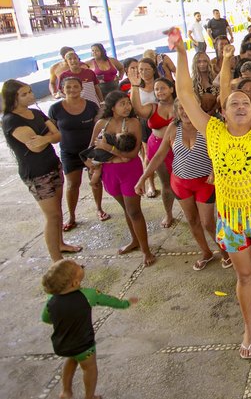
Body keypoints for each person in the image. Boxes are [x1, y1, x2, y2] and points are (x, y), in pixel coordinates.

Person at [174, 34, 251, 358]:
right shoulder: (213, 132)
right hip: (232, 219)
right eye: (233, 103)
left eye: (246, 104)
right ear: (223, 111)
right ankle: (249, 327)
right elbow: (184, 94)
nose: (240, 106)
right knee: (244, 276)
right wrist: (182, 53)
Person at [135, 100, 229, 270]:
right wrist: (143, 178)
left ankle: (225, 253)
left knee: (208, 222)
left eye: (189, 107)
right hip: (180, 183)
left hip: (205, 183)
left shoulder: (207, 126)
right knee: (192, 220)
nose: (185, 112)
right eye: (181, 108)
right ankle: (206, 252)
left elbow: (223, 151)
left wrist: (215, 170)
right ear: (176, 111)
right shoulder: (173, 128)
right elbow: (159, 155)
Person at [3, 79, 81, 261]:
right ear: (13, 98)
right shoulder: (11, 120)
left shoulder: (36, 113)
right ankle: (56, 260)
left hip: (52, 165)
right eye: (24, 94)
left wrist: (44, 138)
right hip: (36, 173)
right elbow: (35, 147)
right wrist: (48, 136)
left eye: (30, 91)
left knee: (58, 211)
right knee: (52, 216)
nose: (30, 95)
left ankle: (60, 243)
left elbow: (58, 135)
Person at [41, 260, 136, 399]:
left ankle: (66, 391)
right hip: (84, 346)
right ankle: (89, 396)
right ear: (75, 283)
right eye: (78, 266)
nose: (81, 265)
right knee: (89, 369)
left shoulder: (51, 299)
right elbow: (110, 301)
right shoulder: (88, 295)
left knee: (71, 359)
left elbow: (46, 318)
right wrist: (126, 303)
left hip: (62, 344)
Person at [88, 91, 154, 266]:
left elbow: (131, 154)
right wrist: (95, 168)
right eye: (122, 104)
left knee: (134, 211)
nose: (127, 107)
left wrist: (109, 149)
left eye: (128, 103)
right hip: (109, 172)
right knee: (126, 209)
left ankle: (146, 250)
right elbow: (92, 148)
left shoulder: (133, 123)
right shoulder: (101, 123)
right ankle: (135, 240)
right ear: (112, 107)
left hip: (129, 170)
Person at [49, 77, 109, 230]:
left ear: (82, 88)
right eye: (68, 87)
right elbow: (52, 131)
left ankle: (99, 209)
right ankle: (72, 216)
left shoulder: (91, 106)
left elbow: (99, 126)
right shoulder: (55, 109)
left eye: (76, 86)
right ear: (62, 89)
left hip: (90, 150)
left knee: (95, 181)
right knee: (72, 184)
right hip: (69, 152)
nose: (72, 89)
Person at [129, 75, 176, 229]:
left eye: (163, 88)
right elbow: (138, 109)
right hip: (157, 146)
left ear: (171, 89)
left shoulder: (179, 105)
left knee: (183, 180)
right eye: (156, 89)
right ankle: (169, 213)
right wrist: (135, 86)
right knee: (166, 183)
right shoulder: (152, 107)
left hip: (177, 147)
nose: (159, 91)